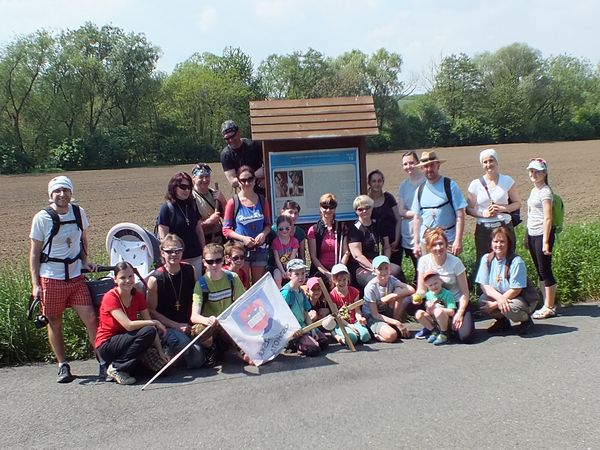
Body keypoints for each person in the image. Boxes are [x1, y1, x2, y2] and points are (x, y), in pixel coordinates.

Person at [29, 175, 98, 383]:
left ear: (71, 193)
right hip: (52, 277)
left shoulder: (79, 212)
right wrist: (35, 284)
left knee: (92, 319)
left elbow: (83, 239)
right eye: (57, 191)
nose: (62, 194)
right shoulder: (41, 218)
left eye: (65, 190)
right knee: (54, 322)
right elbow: (34, 253)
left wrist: (85, 262)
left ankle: (103, 360)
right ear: (51, 195)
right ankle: (63, 365)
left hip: (76, 276)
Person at [95, 262, 167, 385]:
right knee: (148, 330)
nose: (128, 280)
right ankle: (116, 367)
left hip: (128, 341)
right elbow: (128, 325)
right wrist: (154, 322)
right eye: (123, 277)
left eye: (130, 276)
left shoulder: (137, 296)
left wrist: (160, 352)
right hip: (107, 344)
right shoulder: (110, 297)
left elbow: (150, 325)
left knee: (163, 370)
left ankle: (125, 367)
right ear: (115, 280)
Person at [146, 234, 205, 369]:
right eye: (170, 251)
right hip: (167, 327)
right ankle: (164, 351)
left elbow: (197, 298)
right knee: (183, 343)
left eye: (178, 250)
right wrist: (176, 325)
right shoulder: (156, 279)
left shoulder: (190, 270)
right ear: (162, 253)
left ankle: (178, 357)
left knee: (198, 361)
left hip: (187, 324)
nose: (174, 254)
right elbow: (151, 311)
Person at [406, 227, 474, 343]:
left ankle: (444, 326)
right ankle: (434, 328)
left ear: (446, 244)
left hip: (455, 301)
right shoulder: (423, 261)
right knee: (408, 303)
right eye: (434, 245)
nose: (438, 248)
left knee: (465, 336)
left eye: (441, 244)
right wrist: (418, 298)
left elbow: (465, 293)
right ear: (428, 247)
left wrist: (459, 313)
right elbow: (421, 289)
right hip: (434, 300)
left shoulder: (455, 262)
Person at [191, 243, 247, 365]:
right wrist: (207, 320)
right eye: (210, 261)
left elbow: (243, 304)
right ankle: (211, 348)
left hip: (228, 323)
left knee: (249, 359)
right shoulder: (200, 284)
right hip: (211, 325)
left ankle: (227, 346)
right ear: (204, 262)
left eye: (218, 260)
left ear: (224, 260)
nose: (215, 265)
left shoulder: (233, 278)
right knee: (199, 329)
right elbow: (194, 316)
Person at [476, 226, 536, 335]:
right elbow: (484, 286)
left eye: (502, 241)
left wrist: (495, 304)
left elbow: (516, 289)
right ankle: (502, 321)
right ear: (491, 243)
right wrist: (499, 299)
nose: (498, 245)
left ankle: (526, 320)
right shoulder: (486, 259)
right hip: (502, 296)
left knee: (510, 308)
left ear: (509, 244)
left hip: (522, 298)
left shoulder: (516, 262)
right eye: (496, 241)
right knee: (482, 302)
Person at [467, 148, 521, 267]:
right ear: (482, 165)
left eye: (491, 160)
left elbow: (517, 203)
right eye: (485, 162)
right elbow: (468, 209)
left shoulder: (507, 181)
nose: (488, 164)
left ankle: (508, 285)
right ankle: (484, 286)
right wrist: (483, 213)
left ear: (497, 162)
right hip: (483, 230)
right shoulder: (475, 184)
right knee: (484, 262)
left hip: (504, 226)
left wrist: (503, 208)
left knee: (507, 261)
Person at [411, 151, 467, 257]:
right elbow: (417, 219)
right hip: (426, 242)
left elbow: (460, 215)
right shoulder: (420, 190)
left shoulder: (450, 185)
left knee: (449, 272)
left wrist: (458, 240)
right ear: (422, 169)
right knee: (428, 273)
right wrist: (416, 243)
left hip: (448, 241)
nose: (429, 169)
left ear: (438, 165)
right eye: (426, 166)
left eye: (432, 165)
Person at [222, 165, 272, 284]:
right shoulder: (233, 202)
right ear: (238, 182)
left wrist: (263, 234)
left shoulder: (262, 200)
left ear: (255, 180)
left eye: (249, 179)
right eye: (243, 180)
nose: (246, 182)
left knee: (258, 285)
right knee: (242, 284)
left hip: (260, 249)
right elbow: (226, 230)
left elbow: (268, 224)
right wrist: (243, 238)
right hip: (240, 251)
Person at [525, 158, 558, 319]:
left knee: (545, 270)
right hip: (532, 234)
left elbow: (548, 218)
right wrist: (527, 235)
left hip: (542, 234)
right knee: (540, 270)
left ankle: (550, 307)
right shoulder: (533, 191)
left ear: (545, 173)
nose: (533, 174)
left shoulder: (545, 192)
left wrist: (545, 241)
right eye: (531, 171)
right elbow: (531, 214)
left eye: (537, 171)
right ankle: (546, 302)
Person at [348, 195, 402, 289]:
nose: (364, 211)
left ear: (372, 208)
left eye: (367, 207)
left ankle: (399, 300)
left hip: (379, 262)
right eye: (360, 209)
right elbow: (357, 256)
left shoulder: (378, 224)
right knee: (374, 280)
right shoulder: (354, 229)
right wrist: (374, 268)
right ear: (356, 211)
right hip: (363, 266)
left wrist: (385, 263)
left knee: (397, 271)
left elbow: (387, 247)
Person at [157, 172, 205, 275]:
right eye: (183, 187)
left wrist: (204, 250)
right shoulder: (166, 208)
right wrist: (167, 257)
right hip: (177, 258)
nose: (187, 190)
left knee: (196, 287)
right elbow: (163, 239)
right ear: (174, 187)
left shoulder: (192, 205)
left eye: (189, 187)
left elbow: (199, 230)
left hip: (196, 255)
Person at [281, 259, 328, 356]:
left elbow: (306, 312)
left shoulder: (301, 291)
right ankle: (293, 344)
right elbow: (283, 315)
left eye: (302, 273)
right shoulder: (286, 292)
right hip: (294, 329)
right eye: (297, 274)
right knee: (314, 350)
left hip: (303, 325)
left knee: (323, 342)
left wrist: (313, 330)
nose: (301, 277)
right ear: (289, 275)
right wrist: (293, 329)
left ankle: (306, 339)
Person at [362, 256, 414, 343]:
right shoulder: (370, 288)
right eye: (380, 269)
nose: (384, 272)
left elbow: (411, 289)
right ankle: (374, 334)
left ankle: (393, 324)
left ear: (389, 270)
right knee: (392, 336)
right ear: (374, 271)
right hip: (372, 317)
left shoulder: (391, 279)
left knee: (399, 291)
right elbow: (375, 314)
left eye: (386, 268)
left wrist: (389, 297)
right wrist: (396, 322)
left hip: (386, 311)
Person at [367, 170, 407, 274]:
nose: (377, 184)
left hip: (394, 241)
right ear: (369, 183)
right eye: (374, 181)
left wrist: (396, 241)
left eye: (379, 181)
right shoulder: (366, 201)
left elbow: (398, 219)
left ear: (383, 182)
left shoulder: (389, 198)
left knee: (395, 271)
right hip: (377, 245)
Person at [396, 151, 426, 284]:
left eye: (411, 163)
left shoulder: (427, 181)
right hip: (408, 233)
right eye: (405, 164)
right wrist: (417, 213)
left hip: (425, 231)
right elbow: (401, 211)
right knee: (417, 265)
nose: (408, 166)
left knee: (425, 266)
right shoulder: (404, 185)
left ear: (418, 163)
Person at [307, 193, 349, 284]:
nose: (328, 210)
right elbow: (313, 257)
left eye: (332, 207)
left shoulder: (341, 227)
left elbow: (346, 252)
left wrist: (339, 270)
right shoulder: (313, 230)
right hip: (321, 271)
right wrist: (327, 274)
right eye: (325, 207)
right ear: (320, 208)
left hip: (339, 268)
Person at [329, 264, 370, 346]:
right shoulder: (332, 295)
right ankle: (336, 334)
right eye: (339, 280)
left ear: (348, 278)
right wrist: (349, 326)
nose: (342, 282)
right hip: (341, 322)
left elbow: (357, 309)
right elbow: (336, 315)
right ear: (334, 280)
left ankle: (355, 332)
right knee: (352, 339)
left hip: (354, 321)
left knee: (365, 337)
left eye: (344, 279)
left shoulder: (354, 291)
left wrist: (359, 318)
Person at [220, 120, 265, 195]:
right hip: (246, 194)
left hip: (264, 190)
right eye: (227, 139)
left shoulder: (254, 145)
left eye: (232, 136)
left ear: (238, 133)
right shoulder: (226, 155)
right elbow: (233, 182)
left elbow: (269, 165)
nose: (230, 140)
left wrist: (266, 178)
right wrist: (254, 176)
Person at [414, 270, 457, 346]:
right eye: (430, 285)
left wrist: (438, 309)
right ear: (427, 286)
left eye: (435, 283)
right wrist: (429, 308)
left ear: (441, 281)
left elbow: (452, 312)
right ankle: (435, 331)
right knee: (419, 313)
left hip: (445, 320)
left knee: (438, 311)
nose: (434, 287)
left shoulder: (447, 294)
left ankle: (445, 334)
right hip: (434, 320)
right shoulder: (428, 295)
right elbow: (429, 313)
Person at [191, 163, 226, 245]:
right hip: (202, 242)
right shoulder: (190, 198)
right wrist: (209, 222)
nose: (205, 180)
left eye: (207, 176)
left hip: (218, 241)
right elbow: (191, 228)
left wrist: (223, 201)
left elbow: (228, 217)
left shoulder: (214, 194)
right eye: (201, 177)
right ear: (193, 178)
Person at [270, 215, 299, 288]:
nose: (284, 231)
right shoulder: (275, 242)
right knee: (277, 276)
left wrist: (288, 270)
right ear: (277, 229)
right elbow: (277, 259)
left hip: (291, 266)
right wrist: (283, 271)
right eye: (281, 229)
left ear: (291, 227)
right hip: (279, 267)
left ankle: (293, 291)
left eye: (287, 228)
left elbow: (292, 258)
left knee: (296, 275)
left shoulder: (294, 241)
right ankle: (280, 294)